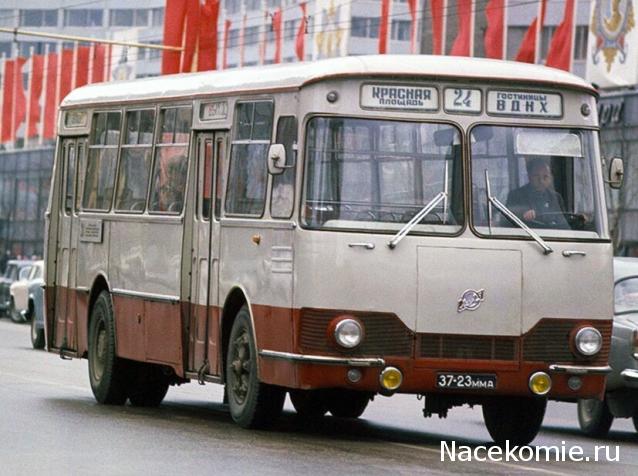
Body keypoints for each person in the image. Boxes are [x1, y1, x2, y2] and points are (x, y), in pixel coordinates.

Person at [506, 159, 569, 229]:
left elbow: (564, 225)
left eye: (545, 176)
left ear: (551, 178)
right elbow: (506, 223)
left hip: (553, 234)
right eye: (536, 176)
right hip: (527, 234)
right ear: (529, 176)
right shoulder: (515, 195)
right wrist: (522, 216)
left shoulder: (556, 198)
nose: (541, 180)